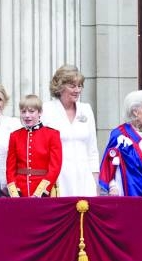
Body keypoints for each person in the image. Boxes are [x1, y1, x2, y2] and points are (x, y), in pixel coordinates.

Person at [41, 65, 99, 197]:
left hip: (84, 177)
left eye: (80, 86)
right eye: (72, 86)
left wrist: (95, 181)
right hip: (58, 176)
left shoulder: (86, 109)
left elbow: (92, 149)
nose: (77, 90)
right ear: (60, 87)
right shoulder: (47, 109)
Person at [6, 95, 62, 198]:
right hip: (20, 192)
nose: (27, 115)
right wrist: (15, 192)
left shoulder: (52, 134)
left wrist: (40, 192)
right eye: (23, 112)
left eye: (31, 112)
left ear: (40, 112)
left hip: (44, 191)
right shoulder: (15, 136)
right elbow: (10, 168)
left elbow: (55, 167)